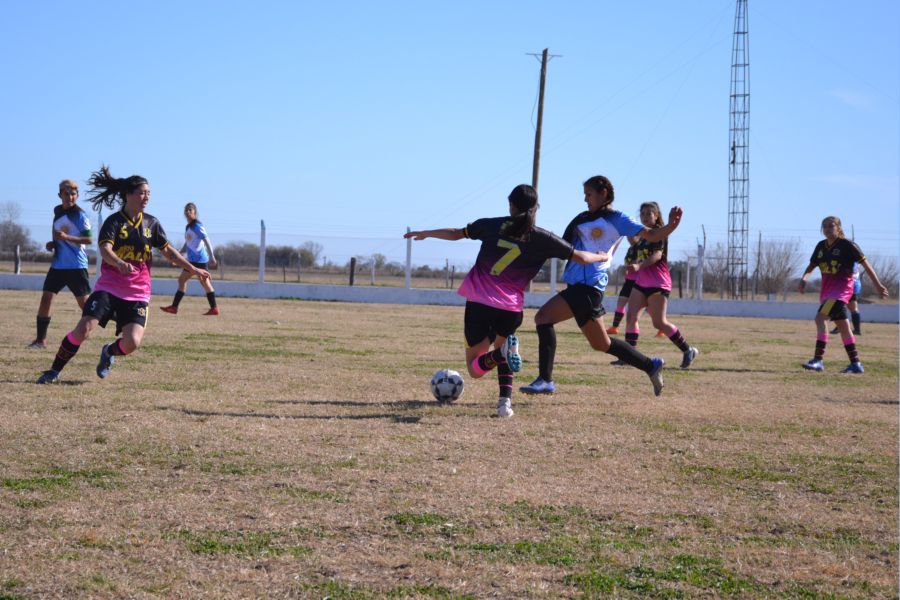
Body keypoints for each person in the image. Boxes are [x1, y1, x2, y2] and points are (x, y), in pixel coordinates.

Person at [404, 184, 609, 417]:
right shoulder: (543, 237)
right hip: (511, 308)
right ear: (535, 208)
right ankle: (504, 404)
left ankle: (500, 356)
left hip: (480, 303)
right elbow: (581, 257)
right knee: (503, 348)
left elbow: (456, 233)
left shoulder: (491, 225)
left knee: (476, 369)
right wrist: (602, 256)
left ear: (511, 205)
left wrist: (427, 233)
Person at [37, 166, 210, 384]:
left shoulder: (152, 223)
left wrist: (193, 268)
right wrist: (119, 263)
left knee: (132, 343)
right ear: (128, 195)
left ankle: (108, 352)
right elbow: (105, 250)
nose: (146, 197)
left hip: (138, 292)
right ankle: (54, 371)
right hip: (108, 287)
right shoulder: (114, 222)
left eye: (148, 193)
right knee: (84, 328)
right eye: (141, 193)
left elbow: (169, 253)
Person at [520, 175, 681, 396]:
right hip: (580, 288)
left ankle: (545, 380)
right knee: (601, 344)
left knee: (543, 318)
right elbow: (562, 245)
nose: (586, 199)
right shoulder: (581, 218)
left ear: (603, 192)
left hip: (588, 287)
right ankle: (650, 365)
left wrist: (671, 226)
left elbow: (652, 235)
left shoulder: (617, 219)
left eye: (589, 194)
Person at [798, 216, 887, 373]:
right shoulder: (820, 246)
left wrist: (878, 285)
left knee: (820, 318)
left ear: (838, 227)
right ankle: (856, 364)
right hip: (827, 292)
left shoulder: (847, 245)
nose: (827, 229)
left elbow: (866, 264)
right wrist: (804, 279)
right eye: (824, 226)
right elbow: (811, 266)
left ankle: (818, 360)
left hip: (841, 292)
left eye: (831, 225)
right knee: (844, 326)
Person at [623, 202, 698, 368]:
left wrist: (638, 266)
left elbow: (656, 256)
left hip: (658, 283)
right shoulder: (643, 235)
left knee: (659, 323)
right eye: (642, 214)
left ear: (656, 216)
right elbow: (634, 245)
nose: (645, 216)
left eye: (649, 213)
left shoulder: (659, 234)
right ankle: (629, 356)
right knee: (631, 317)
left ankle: (688, 350)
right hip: (641, 282)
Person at [28, 179, 93, 349]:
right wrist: (52, 244)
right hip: (57, 266)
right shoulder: (57, 211)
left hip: (76, 266)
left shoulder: (80, 215)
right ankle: (40, 340)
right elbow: (57, 235)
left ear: (77, 196)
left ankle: (120, 323)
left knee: (87, 306)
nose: (70, 196)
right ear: (60, 195)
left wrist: (66, 238)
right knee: (46, 299)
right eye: (66, 193)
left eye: (73, 193)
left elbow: (88, 239)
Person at [160, 202, 219, 315]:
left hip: (199, 260)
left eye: (190, 210)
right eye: (186, 210)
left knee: (186, 280)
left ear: (195, 213)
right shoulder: (189, 227)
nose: (187, 212)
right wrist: (180, 252)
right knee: (201, 282)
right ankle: (214, 308)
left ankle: (174, 307)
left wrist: (212, 256)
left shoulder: (197, 225)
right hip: (193, 260)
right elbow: (189, 243)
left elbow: (207, 240)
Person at [831, 262, 862, 335]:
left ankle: (840, 327)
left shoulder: (851, 260)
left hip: (848, 285)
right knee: (850, 308)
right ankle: (856, 329)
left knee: (840, 306)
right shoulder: (856, 260)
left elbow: (850, 271)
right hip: (854, 285)